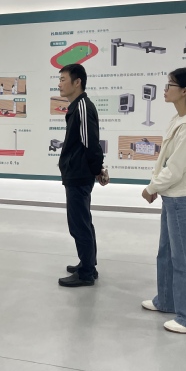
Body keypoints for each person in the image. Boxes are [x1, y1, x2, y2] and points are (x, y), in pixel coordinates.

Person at [141, 68, 186, 333]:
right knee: (167, 253)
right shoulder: (180, 120)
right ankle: (168, 300)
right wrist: (158, 186)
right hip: (172, 196)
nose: (165, 89)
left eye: (170, 84)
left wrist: (152, 187)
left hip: (181, 198)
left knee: (185, 259)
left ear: (184, 91)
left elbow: (176, 169)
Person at [58, 64, 108, 288]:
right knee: (82, 221)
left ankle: (87, 272)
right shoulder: (77, 107)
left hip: (79, 174)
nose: (59, 84)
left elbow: (91, 143)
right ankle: (87, 263)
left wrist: (97, 169)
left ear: (77, 82)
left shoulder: (83, 107)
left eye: (63, 79)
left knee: (79, 224)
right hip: (76, 172)